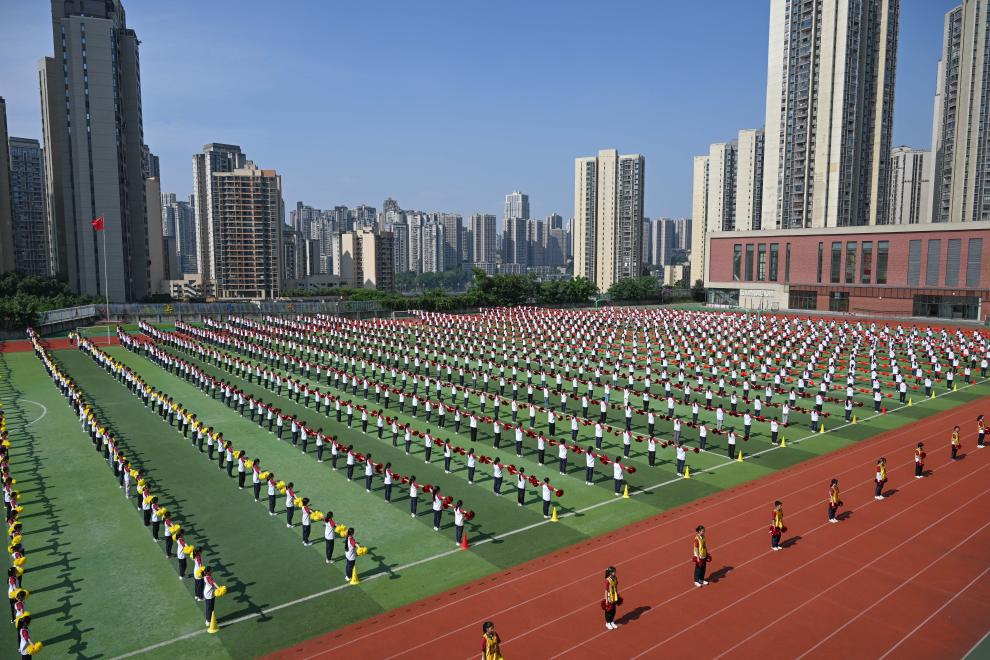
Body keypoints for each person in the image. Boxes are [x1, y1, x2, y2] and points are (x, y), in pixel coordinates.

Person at [603, 566, 621, 630]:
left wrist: (618, 594)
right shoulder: (608, 580)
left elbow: (616, 587)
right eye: (613, 571)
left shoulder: (615, 578)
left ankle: (611, 621)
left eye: (615, 571)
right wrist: (606, 600)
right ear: (610, 573)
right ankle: (607, 623)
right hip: (609, 597)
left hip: (614, 596)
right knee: (609, 610)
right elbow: (606, 590)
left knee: (614, 610)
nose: (615, 572)